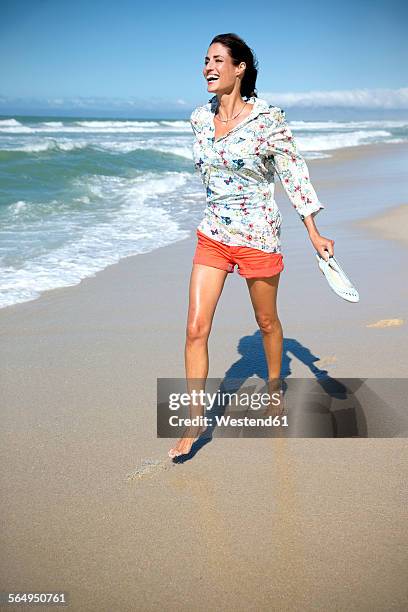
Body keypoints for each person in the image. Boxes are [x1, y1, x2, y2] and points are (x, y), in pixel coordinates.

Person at [168, 33, 335, 459]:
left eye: (218, 60)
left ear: (239, 68)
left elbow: (293, 174)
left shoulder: (268, 120)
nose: (208, 67)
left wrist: (314, 231)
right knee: (194, 328)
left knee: (265, 323)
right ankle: (193, 422)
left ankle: (275, 385)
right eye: (205, 59)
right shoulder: (198, 119)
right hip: (213, 235)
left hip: (258, 236)